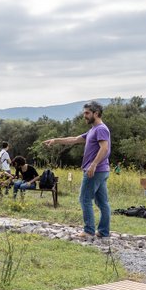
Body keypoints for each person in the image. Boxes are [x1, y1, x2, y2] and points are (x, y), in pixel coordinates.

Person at [43, 101, 111, 241]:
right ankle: (103, 232)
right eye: (84, 113)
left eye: (87, 113)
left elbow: (104, 148)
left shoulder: (100, 129)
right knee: (102, 202)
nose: (84, 116)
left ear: (96, 113)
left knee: (85, 199)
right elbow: (74, 139)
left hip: (95, 171)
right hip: (101, 170)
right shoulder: (93, 130)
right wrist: (55, 140)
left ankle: (89, 231)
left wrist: (93, 165)